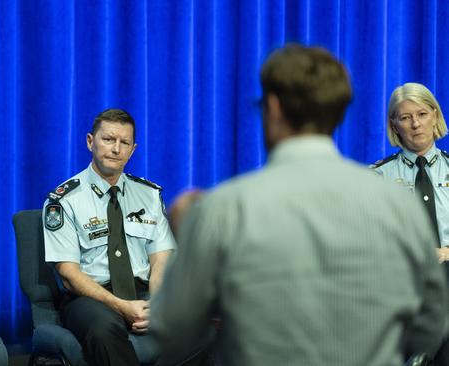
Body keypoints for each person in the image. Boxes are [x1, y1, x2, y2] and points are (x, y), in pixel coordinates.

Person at [151, 45, 448, 366]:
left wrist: (190, 237)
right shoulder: (395, 203)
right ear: (338, 111)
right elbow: (429, 330)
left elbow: (171, 332)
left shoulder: (222, 209)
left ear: (273, 108)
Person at [42, 108, 175, 366]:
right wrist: (120, 306)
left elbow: (161, 259)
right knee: (104, 329)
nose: (116, 149)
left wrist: (157, 304)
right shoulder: (63, 200)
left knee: (202, 326)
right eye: (108, 139)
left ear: (133, 150)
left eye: (124, 142)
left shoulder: (149, 195)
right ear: (90, 142)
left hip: (144, 291)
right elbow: (69, 275)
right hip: (91, 297)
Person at [371, 82, 449, 364]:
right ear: (395, 125)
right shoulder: (376, 178)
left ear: (436, 116)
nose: (415, 124)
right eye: (405, 117)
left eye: (422, 114)